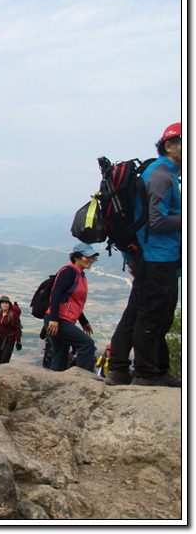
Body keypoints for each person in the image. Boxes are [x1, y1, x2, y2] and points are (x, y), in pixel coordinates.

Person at [106, 123, 182, 388]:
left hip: (152, 256)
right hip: (158, 258)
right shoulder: (162, 176)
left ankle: (121, 369)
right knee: (154, 316)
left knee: (138, 313)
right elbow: (157, 222)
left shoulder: (161, 172)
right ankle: (146, 374)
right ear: (169, 145)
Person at [45, 243, 98, 372]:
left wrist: (84, 322)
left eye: (92, 257)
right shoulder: (68, 272)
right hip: (59, 320)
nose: (91, 260)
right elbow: (56, 295)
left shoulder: (79, 274)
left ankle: (55, 378)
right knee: (86, 344)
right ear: (76, 257)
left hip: (61, 319)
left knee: (61, 354)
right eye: (87, 257)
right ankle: (83, 377)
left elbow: (73, 302)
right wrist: (54, 319)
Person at [0, 295, 22, 365]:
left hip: (9, 341)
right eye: (3, 303)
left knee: (4, 361)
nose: (5, 304)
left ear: (9, 305)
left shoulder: (13, 315)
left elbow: (18, 329)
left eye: (6, 303)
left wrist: (18, 342)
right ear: (0, 305)